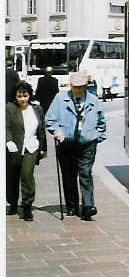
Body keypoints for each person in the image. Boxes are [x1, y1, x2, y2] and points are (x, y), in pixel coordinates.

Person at [45, 71, 106, 220]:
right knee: (68, 175)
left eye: (81, 87)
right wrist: (57, 132)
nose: (78, 90)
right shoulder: (60, 99)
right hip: (66, 143)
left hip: (87, 143)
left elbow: (101, 123)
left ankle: (88, 206)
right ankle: (71, 205)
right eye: (75, 87)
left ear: (86, 86)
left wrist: (96, 136)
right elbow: (49, 120)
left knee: (85, 174)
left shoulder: (93, 100)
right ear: (71, 86)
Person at [6, 81, 47, 221]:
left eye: (25, 95)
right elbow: (5, 126)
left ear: (29, 95)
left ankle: (27, 206)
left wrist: (43, 149)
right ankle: (12, 202)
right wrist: (8, 140)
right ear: (15, 96)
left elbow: (42, 131)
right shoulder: (9, 108)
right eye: (19, 96)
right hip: (14, 148)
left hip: (32, 147)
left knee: (27, 175)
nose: (22, 99)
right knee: (12, 176)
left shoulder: (37, 109)